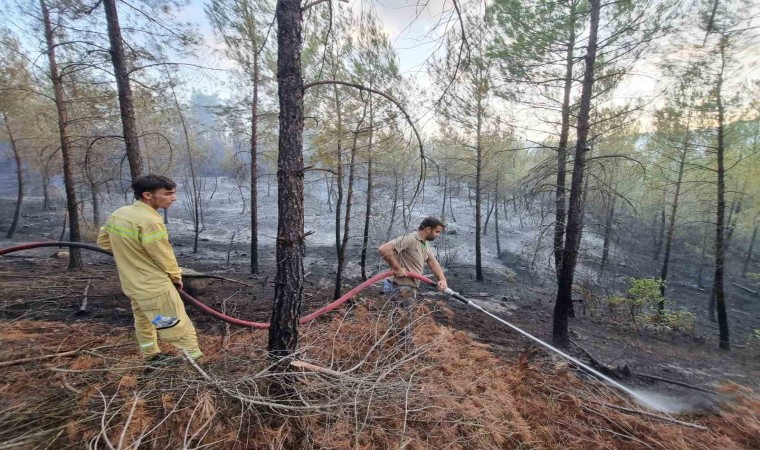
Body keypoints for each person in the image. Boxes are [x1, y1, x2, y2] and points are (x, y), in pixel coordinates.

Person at [97, 174, 203, 365]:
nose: (174, 198)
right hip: (154, 287)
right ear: (147, 195)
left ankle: (151, 357)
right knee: (176, 325)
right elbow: (164, 255)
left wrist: (130, 255)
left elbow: (103, 242)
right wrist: (176, 277)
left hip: (132, 285)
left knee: (145, 321)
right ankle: (195, 364)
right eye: (168, 194)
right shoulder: (150, 221)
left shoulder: (120, 213)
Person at [378, 217, 449, 341]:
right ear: (428, 229)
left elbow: (432, 262)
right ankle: (403, 349)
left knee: (400, 318)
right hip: (399, 286)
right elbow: (383, 249)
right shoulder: (410, 238)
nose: (438, 235)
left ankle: (393, 344)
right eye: (437, 232)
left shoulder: (424, 243)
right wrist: (397, 268)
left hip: (407, 287)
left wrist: (442, 279)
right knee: (404, 320)